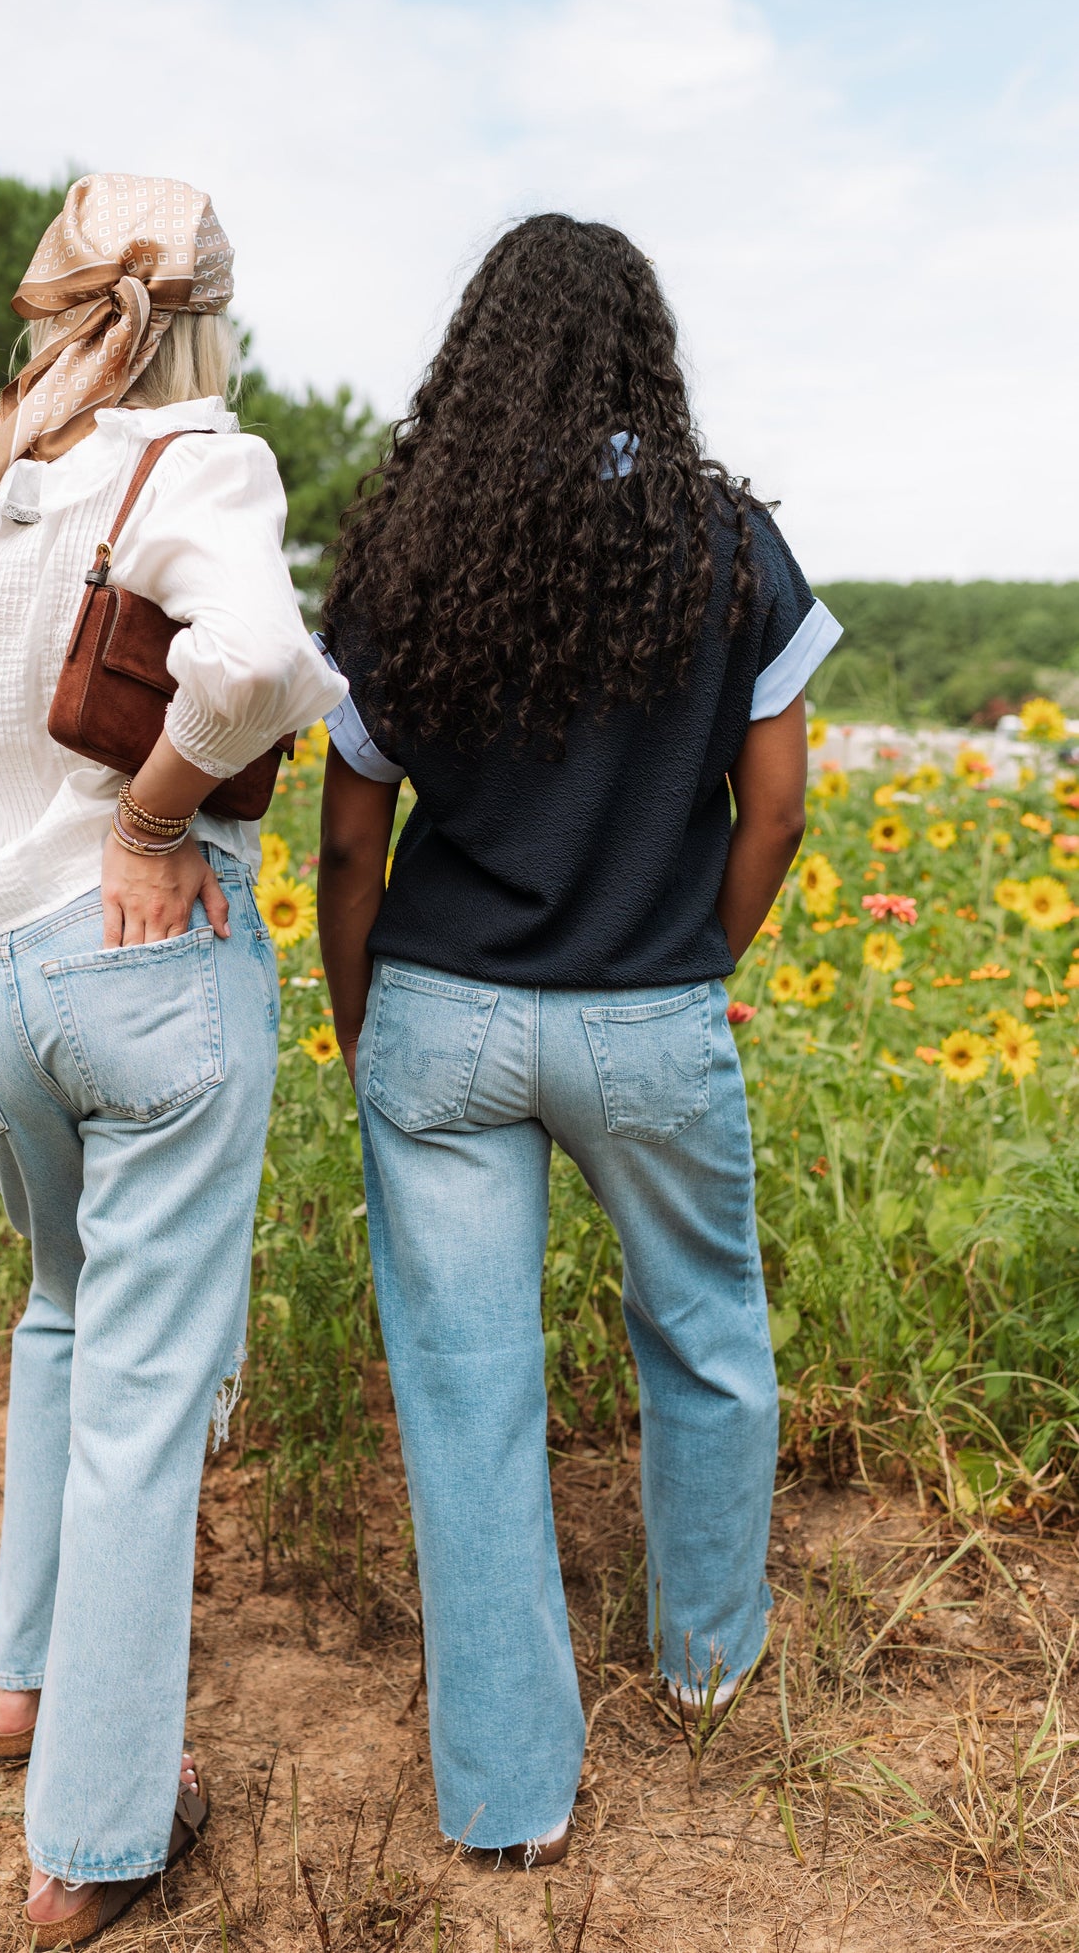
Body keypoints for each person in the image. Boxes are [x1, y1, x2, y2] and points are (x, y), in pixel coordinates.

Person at [0, 173, 340, 1946]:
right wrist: (144, 817)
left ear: (43, 300)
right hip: (134, 959)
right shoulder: (192, 458)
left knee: (60, 1308)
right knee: (143, 1389)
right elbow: (257, 659)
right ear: (208, 322)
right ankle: (100, 1831)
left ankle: (26, 1681)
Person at [316, 215, 839, 1868]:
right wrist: (691, 958)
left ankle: (506, 1796)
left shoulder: (412, 545)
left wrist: (359, 1020)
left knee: (464, 1390)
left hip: (439, 1012)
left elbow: (349, 838)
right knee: (706, 1328)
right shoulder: (727, 543)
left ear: (477, 354)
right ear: (641, 352)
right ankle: (706, 1665)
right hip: (649, 1008)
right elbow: (776, 806)